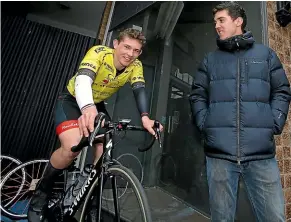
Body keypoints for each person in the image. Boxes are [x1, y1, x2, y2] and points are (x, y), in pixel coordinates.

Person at [28, 28, 163, 221]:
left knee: (105, 147)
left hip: (97, 104)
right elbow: (83, 80)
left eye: (135, 50)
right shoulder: (100, 52)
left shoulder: (136, 65)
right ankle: (40, 196)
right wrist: (87, 107)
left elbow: (139, 90)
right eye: (126, 47)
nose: (130, 54)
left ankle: (89, 196)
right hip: (72, 99)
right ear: (116, 44)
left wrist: (145, 117)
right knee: (71, 147)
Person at [189, 2, 291, 222]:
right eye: (215, 21)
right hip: (219, 157)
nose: (216, 25)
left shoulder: (266, 55)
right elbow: (197, 95)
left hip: (261, 155)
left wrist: (274, 122)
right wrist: (205, 123)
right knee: (221, 218)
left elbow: (282, 90)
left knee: (274, 218)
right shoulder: (210, 60)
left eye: (221, 20)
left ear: (238, 21)